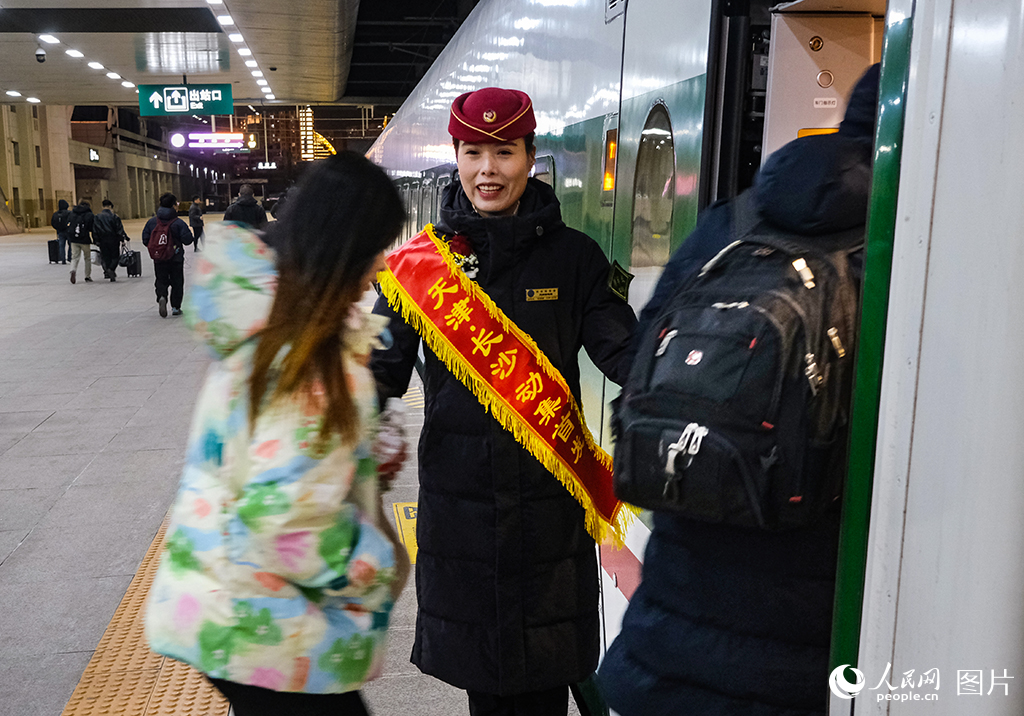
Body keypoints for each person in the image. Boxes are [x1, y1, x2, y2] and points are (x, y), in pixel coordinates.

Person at [596, 63, 881, 716]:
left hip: (664, 643)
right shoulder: (920, 251)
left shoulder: (733, 224)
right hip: (805, 661)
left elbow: (639, 384)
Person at [370, 87, 637, 716]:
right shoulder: (421, 268)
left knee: (546, 676)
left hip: (550, 512)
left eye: (504, 151)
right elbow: (377, 373)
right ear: (456, 157)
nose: (487, 169)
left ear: (531, 156)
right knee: (488, 689)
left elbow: (626, 354)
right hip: (463, 510)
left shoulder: (576, 260)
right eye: (472, 152)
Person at [145, 153, 411, 716]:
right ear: (343, 251)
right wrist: (380, 562)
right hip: (267, 623)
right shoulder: (309, 361)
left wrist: (357, 455)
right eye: (375, 248)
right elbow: (285, 522)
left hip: (222, 603)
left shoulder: (261, 324)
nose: (381, 266)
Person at [142, 192, 194, 317]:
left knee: (161, 279)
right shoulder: (178, 223)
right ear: (173, 206)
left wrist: (158, 248)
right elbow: (188, 240)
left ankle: (162, 296)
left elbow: (145, 239)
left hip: (159, 258)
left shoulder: (152, 222)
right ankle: (176, 307)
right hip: (175, 258)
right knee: (177, 281)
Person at [93, 199, 129, 281]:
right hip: (113, 239)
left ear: (102, 206)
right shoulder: (114, 216)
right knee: (115, 256)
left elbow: (95, 229)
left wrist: (96, 240)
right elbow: (119, 229)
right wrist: (123, 239)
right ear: (110, 207)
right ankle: (111, 269)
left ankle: (107, 271)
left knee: (105, 257)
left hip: (102, 240)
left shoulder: (97, 217)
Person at [67, 199, 94, 284]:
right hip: (84, 239)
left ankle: (73, 270)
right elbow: (91, 228)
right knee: (87, 258)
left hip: (74, 239)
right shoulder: (89, 214)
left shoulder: (72, 213)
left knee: (74, 257)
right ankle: (87, 276)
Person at [50, 199, 72, 264]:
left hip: (60, 232)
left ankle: (63, 259)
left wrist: (57, 228)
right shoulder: (69, 213)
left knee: (61, 245)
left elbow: (52, 222)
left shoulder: (56, 214)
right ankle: (69, 257)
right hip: (68, 231)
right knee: (70, 245)